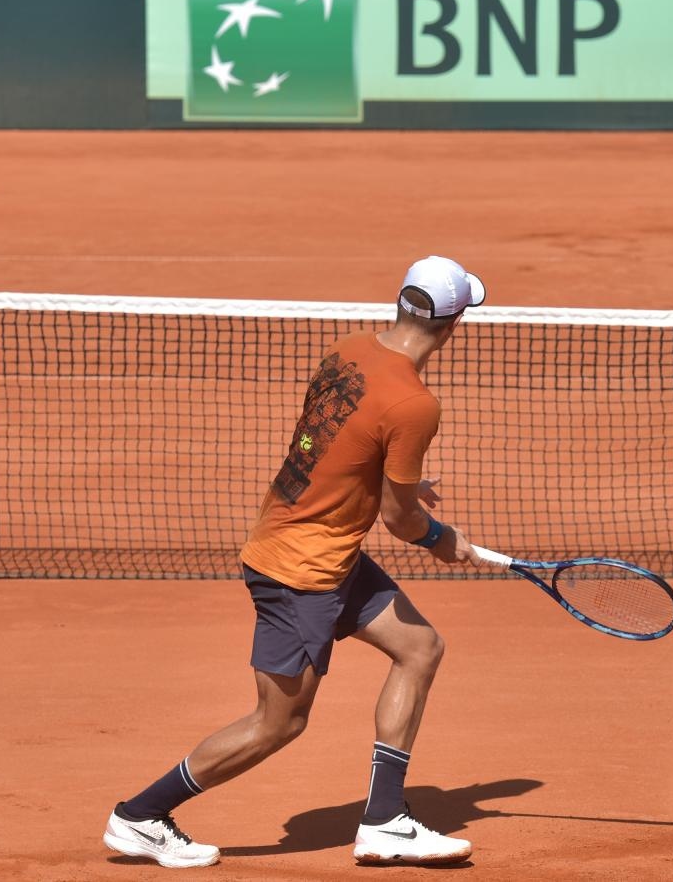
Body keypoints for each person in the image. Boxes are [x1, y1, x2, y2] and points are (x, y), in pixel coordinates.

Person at [103, 256, 487, 870]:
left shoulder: (349, 349)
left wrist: (401, 483)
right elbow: (400, 520)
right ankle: (141, 815)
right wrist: (439, 536)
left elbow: (332, 441)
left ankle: (385, 820)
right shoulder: (416, 404)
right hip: (299, 572)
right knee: (277, 723)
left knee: (420, 649)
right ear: (455, 322)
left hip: (321, 549)